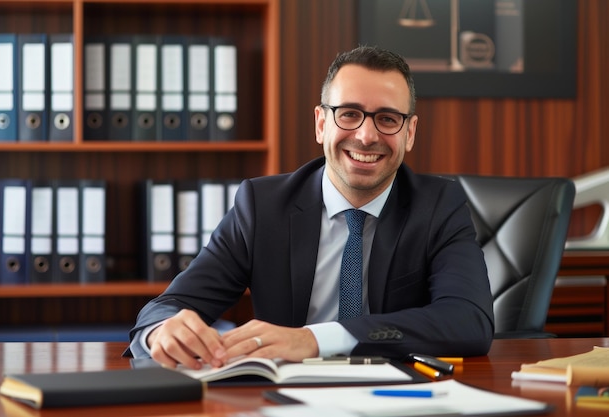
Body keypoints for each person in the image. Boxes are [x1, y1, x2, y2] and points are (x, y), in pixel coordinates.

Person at [127, 45, 494, 370]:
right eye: (349, 114)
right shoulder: (262, 206)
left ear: (409, 133)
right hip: (285, 397)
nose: (367, 136)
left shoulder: (439, 206)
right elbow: (170, 305)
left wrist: (315, 339)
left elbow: (468, 320)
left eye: (387, 118)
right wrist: (164, 330)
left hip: (400, 398)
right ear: (321, 123)